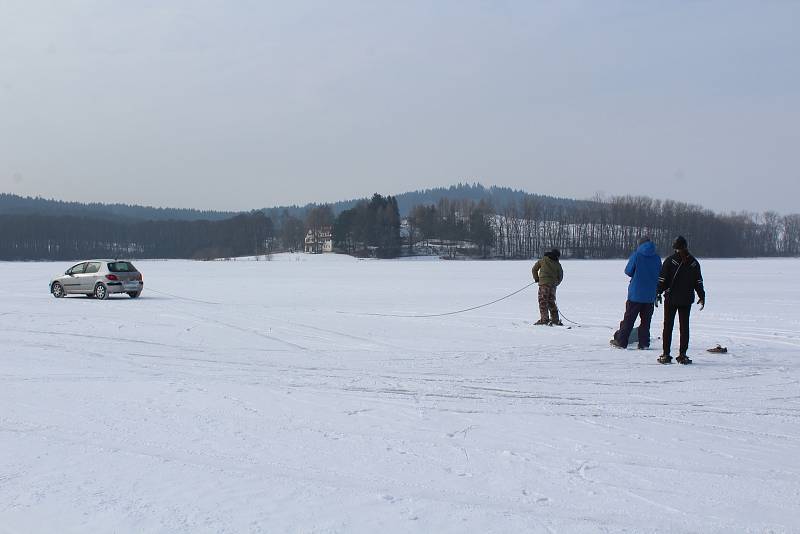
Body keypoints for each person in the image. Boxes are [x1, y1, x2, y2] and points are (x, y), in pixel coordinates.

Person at [656, 235, 705, 364]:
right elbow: (698, 282)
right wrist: (702, 296)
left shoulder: (670, 261)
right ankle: (683, 355)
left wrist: (658, 293)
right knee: (684, 327)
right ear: (686, 246)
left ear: (674, 247)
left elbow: (662, 280)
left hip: (671, 299)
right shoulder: (694, 262)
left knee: (668, 326)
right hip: (686, 299)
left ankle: (666, 354)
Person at [610, 236, 662, 349]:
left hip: (636, 294)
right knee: (646, 321)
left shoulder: (636, 255)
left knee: (629, 320)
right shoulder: (657, 257)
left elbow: (628, 271)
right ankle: (644, 343)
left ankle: (622, 341)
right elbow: (660, 274)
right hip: (650, 295)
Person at [532, 248, 564, 326]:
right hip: (552, 285)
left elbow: (534, 269)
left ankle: (544, 319)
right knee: (551, 302)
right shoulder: (557, 264)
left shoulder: (543, 260)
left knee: (543, 301)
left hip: (543, 284)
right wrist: (556, 283)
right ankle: (555, 320)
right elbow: (561, 275)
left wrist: (537, 278)